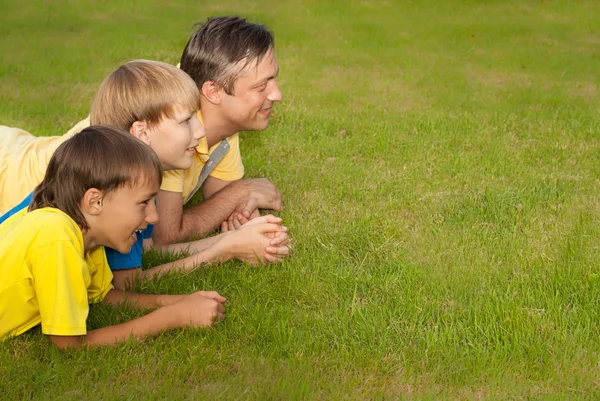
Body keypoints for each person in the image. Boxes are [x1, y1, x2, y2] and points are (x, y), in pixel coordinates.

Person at [0, 60, 290, 289]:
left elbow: (150, 250)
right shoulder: (114, 189)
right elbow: (128, 284)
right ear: (142, 132)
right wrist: (224, 251)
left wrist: (236, 238)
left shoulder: (137, 176)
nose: (199, 132)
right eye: (186, 121)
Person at [0, 125, 226, 349]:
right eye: (143, 203)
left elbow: (105, 296)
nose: (154, 217)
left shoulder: (87, 233)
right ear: (95, 202)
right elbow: (68, 344)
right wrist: (174, 316)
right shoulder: (56, 237)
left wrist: (180, 302)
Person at [154, 15, 284, 245]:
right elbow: (165, 235)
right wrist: (242, 192)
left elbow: (219, 198)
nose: (276, 95)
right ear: (213, 91)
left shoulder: (223, 122)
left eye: (273, 80)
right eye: (262, 86)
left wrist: (242, 213)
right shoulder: (171, 127)